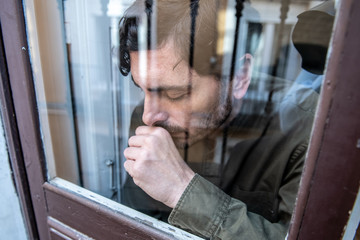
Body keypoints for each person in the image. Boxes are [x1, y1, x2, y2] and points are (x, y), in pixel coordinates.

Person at [118, 0, 323, 239]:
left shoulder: (308, 131)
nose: (148, 115)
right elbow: (136, 220)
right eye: (142, 89)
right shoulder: (153, 117)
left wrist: (182, 190)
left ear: (239, 76)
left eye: (175, 94)